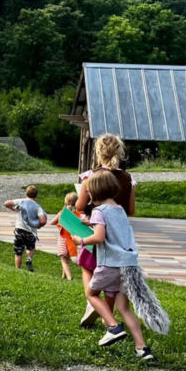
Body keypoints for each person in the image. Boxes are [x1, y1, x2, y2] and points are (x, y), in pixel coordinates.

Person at [76, 170, 168, 361]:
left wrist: (81, 240)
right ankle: (142, 348)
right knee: (124, 307)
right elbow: (112, 232)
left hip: (110, 264)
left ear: (93, 193)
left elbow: (99, 237)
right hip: (129, 265)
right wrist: (90, 224)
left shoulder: (98, 211)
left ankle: (113, 326)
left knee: (91, 293)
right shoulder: (120, 210)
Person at [75, 133, 136, 327]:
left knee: (87, 266)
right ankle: (106, 313)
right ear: (120, 152)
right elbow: (131, 210)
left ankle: (91, 303)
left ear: (98, 152)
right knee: (113, 280)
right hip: (119, 238)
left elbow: (79, 205)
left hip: (95, 232)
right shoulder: (127, 179)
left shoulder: (90, 177)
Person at [4, 185, 47, 272]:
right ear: (36, 195)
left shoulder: (21, 201)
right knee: (30, 248)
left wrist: (14, 209)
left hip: (19, 230)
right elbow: (43, 220)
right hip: (31, 232)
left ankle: (17, 269)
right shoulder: (37, 207)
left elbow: (6, 203)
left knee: (18, 251)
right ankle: (29, 259)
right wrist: (38, 225)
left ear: (25, 193)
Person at [50, 191, 80, 280]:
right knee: (66, 258)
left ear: (65, 202)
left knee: (63, 259)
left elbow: (52, 222)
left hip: (63, 238)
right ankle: (63, 276)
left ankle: (70, 278)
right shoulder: (78, 214)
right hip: (73, 239)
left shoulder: (62, 213)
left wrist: (59, 222)